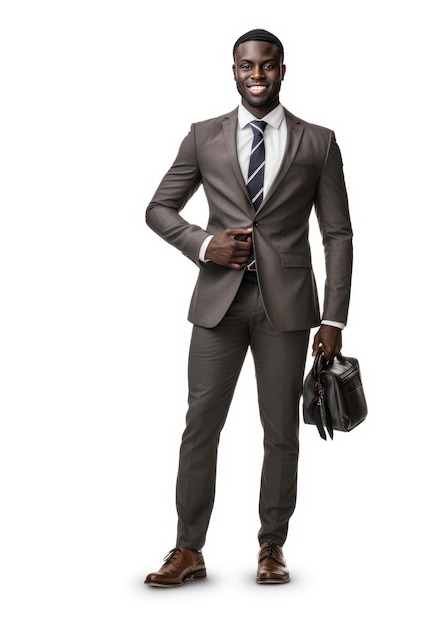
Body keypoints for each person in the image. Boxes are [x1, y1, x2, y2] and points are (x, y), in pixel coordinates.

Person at [144, 28, 353, 587]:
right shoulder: (203, 136)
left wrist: (333, 319)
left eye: (266, 66)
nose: (255, 75)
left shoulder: (319, 141)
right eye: (245, 66)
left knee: (280, 429)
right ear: (233, 71)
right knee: (200, 427)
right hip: (219, 302)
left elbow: (337, 234)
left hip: (285, 308)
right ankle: (188, 549)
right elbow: (159, 208)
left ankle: (271, 546)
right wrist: (202, 243)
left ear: (283, 70)